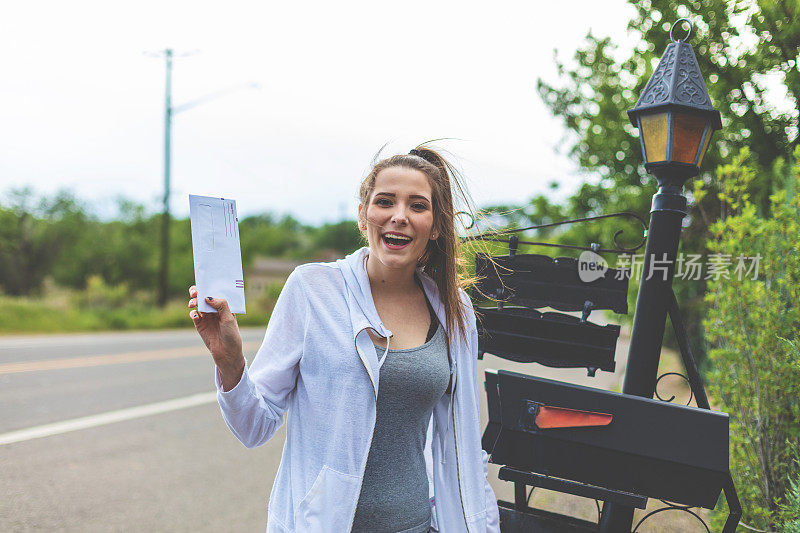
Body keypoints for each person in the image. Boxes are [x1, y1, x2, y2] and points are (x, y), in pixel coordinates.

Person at [188, 144, 500, 532]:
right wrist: (229, 362)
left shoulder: (455, 311)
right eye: (385, 201)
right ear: (363, 215)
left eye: (417, 206)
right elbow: (255, 426)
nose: (399, 216)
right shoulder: (312, 288)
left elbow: (463, 444)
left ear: (435, 225)